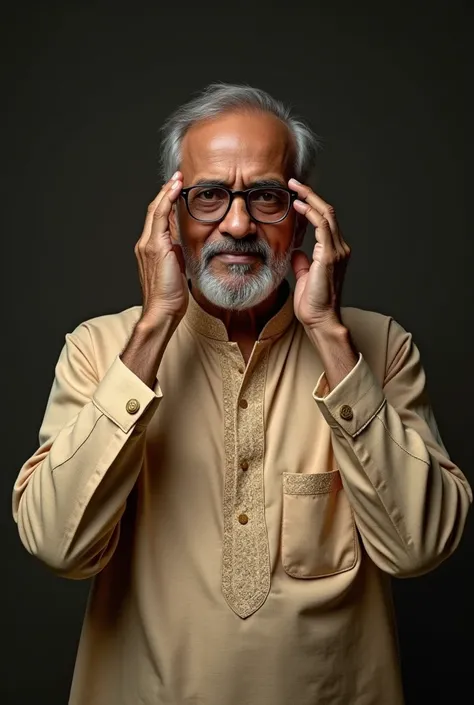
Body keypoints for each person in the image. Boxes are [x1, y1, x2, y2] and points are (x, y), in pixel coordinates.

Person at [12, 83, 472, 705]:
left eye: (266, 197)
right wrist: (153, 328)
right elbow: (56, 545)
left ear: (304, 214)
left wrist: (332, 341)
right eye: (207, 197)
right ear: (170, 214)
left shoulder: (377, 347)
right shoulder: (101, 349)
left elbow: (420, 546)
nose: (237, 223)